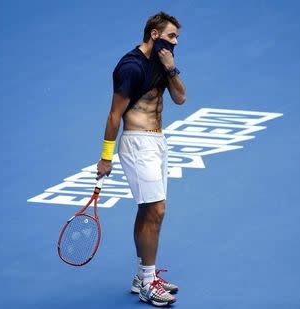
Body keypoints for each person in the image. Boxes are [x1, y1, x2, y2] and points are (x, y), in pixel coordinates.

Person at [96, 11, 186, 307]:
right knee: (156, 210)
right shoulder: (131, 67)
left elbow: (181, 98)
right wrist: (105, 157)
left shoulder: (163, 61)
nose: (175, 42)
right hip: (137, 143)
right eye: (171, 36)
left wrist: (171, 69)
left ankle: (141, 276)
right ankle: (148, 283)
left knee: (150, 210)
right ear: (154, 34)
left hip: (158, 142)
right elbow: (113, 115)